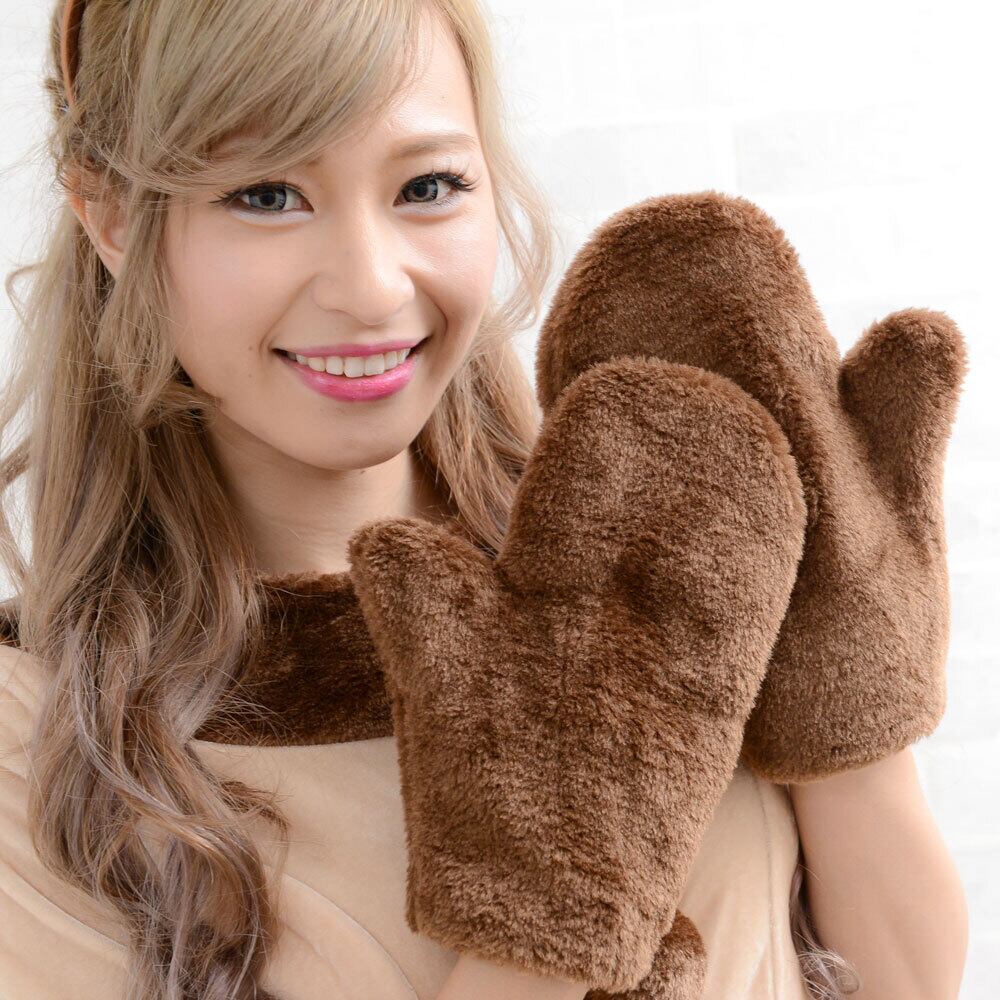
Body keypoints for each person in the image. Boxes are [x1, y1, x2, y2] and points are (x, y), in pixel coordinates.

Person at [0, 1, 967, 999]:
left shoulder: (649, 564)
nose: (373, 288)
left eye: (427, 186)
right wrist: (551, 890)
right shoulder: (39, 744)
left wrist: (839, 657)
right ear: (112, 217)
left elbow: (906, 985)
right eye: (266, 194)